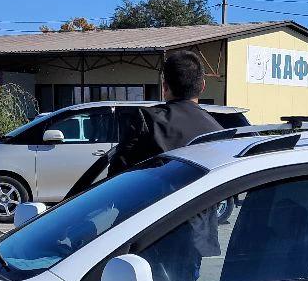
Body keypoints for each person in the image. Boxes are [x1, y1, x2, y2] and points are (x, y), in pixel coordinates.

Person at [65, 49, 222, 196]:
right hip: (204, 223)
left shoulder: (147, 120)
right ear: (202, 86)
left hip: (153, 219)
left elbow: (117, 178)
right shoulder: (219, 131)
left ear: (165, 87)